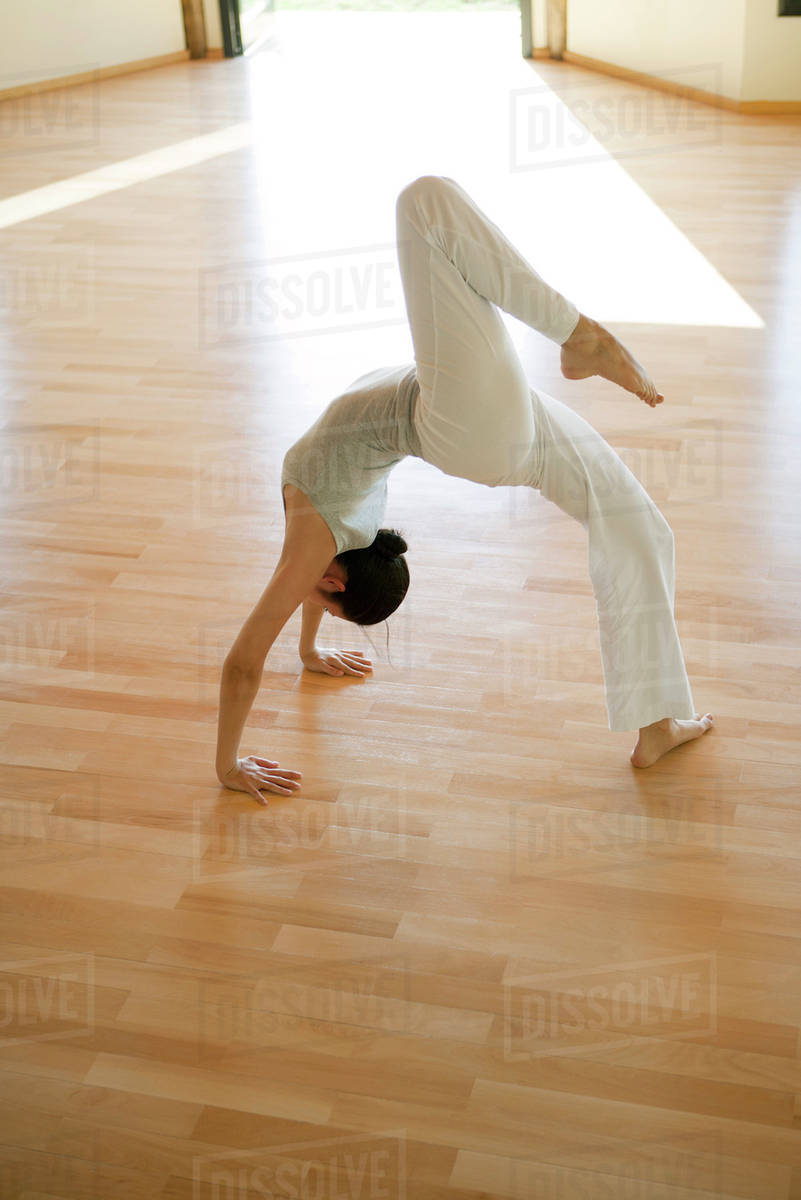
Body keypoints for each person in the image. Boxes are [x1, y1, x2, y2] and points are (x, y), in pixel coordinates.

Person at [215, 175, 713, 805]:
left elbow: (276, 623)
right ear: (336, 576)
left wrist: (302, 663)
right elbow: (270, 625)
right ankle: (579, 335)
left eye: (320, 605)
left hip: (481, 421)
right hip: (465, 423)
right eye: (320, 604)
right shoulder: (321, 538)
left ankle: (657, 723)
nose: (305, 594)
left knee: (638, 524)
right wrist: (234, 754)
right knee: (422, 205)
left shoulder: (325, 540)